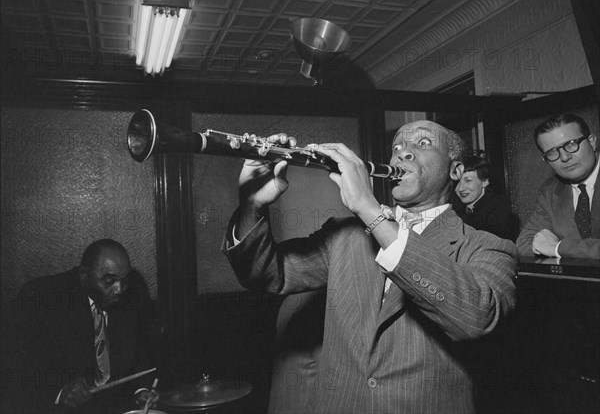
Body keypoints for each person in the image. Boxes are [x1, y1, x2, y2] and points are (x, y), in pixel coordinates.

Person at [222, 121, 517, 414]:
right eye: (397, 147)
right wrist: (252, 203)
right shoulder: (345, 235)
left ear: (455, 170)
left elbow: (476, 317)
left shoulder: (487, 246)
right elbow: (269, 275)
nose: (404, 153)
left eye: (423, 143)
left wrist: (368, 209)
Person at [3, 239, 159, 414]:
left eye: (124, 280)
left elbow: (138, 353)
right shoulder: (43, 298)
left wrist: (141, 391)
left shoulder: (129, 296)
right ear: (84, 275)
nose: (119, 289)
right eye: (109, 281)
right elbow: (14, 367)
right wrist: (59, 393)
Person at [517, 114, 599, 259]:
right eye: (552, 152)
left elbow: (554, 247)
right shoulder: (550, 190)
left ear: (592, 142)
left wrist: (558, 248)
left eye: (571, 144)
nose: (565, 157)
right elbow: (524, 244)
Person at [453, 155, 515, 240]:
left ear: (485, 182)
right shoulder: (453, 208)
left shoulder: (498, 208)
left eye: (468, 181)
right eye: (458, 182)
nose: (460, 188)